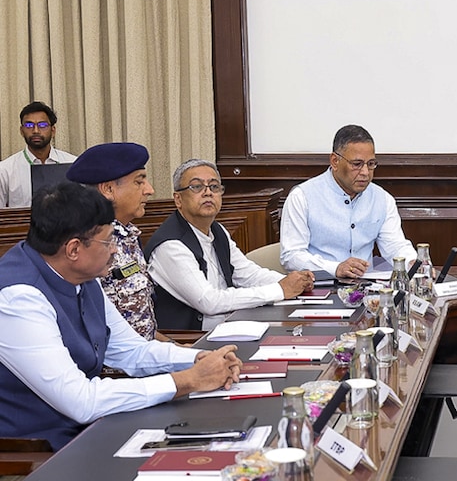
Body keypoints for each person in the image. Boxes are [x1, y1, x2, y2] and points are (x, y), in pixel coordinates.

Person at [0, 182, 242, 449]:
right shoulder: (18, 298)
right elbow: (81, 402)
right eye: (108, 241)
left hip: (90, 429)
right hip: (40, 452)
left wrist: (199, 358)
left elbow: (131, 351)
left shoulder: (82, 275)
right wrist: (187, 380)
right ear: (73, 249)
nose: (115, 249)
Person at [146, 160, 315, 330]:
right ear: (178, 199)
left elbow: (247, 274)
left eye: (214, 186)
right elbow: (208, 301)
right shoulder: (170, 245)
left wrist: (294, 282)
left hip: (228, 324)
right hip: (189, 339)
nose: (207, 193)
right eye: (197, 187)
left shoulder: (216, 229)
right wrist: (279, 289)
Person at [281, 125, 416, 278]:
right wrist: (336, 268)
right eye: (357, 164)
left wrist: (413, 263)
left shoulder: (382, 199)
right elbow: (291, 256)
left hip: (367, 289)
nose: (365, 172)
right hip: (320, 287)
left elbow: (394, 245)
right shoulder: (302, 197)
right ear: (335, 161)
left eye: (371, 164)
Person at [66, 142, 164, 341]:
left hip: (146, 357)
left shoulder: (128, 235)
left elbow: (140, 321)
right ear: (108, 189)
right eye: (139, 182)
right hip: (114, 368)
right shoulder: (88, 244)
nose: (150, 190)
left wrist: (174, 347)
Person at [0, 101, 78, 208]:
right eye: (29, 125)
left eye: (42, 125)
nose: (36, 130)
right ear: (21, 131)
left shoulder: (73, 164)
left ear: (53, 130)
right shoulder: (5, 170)